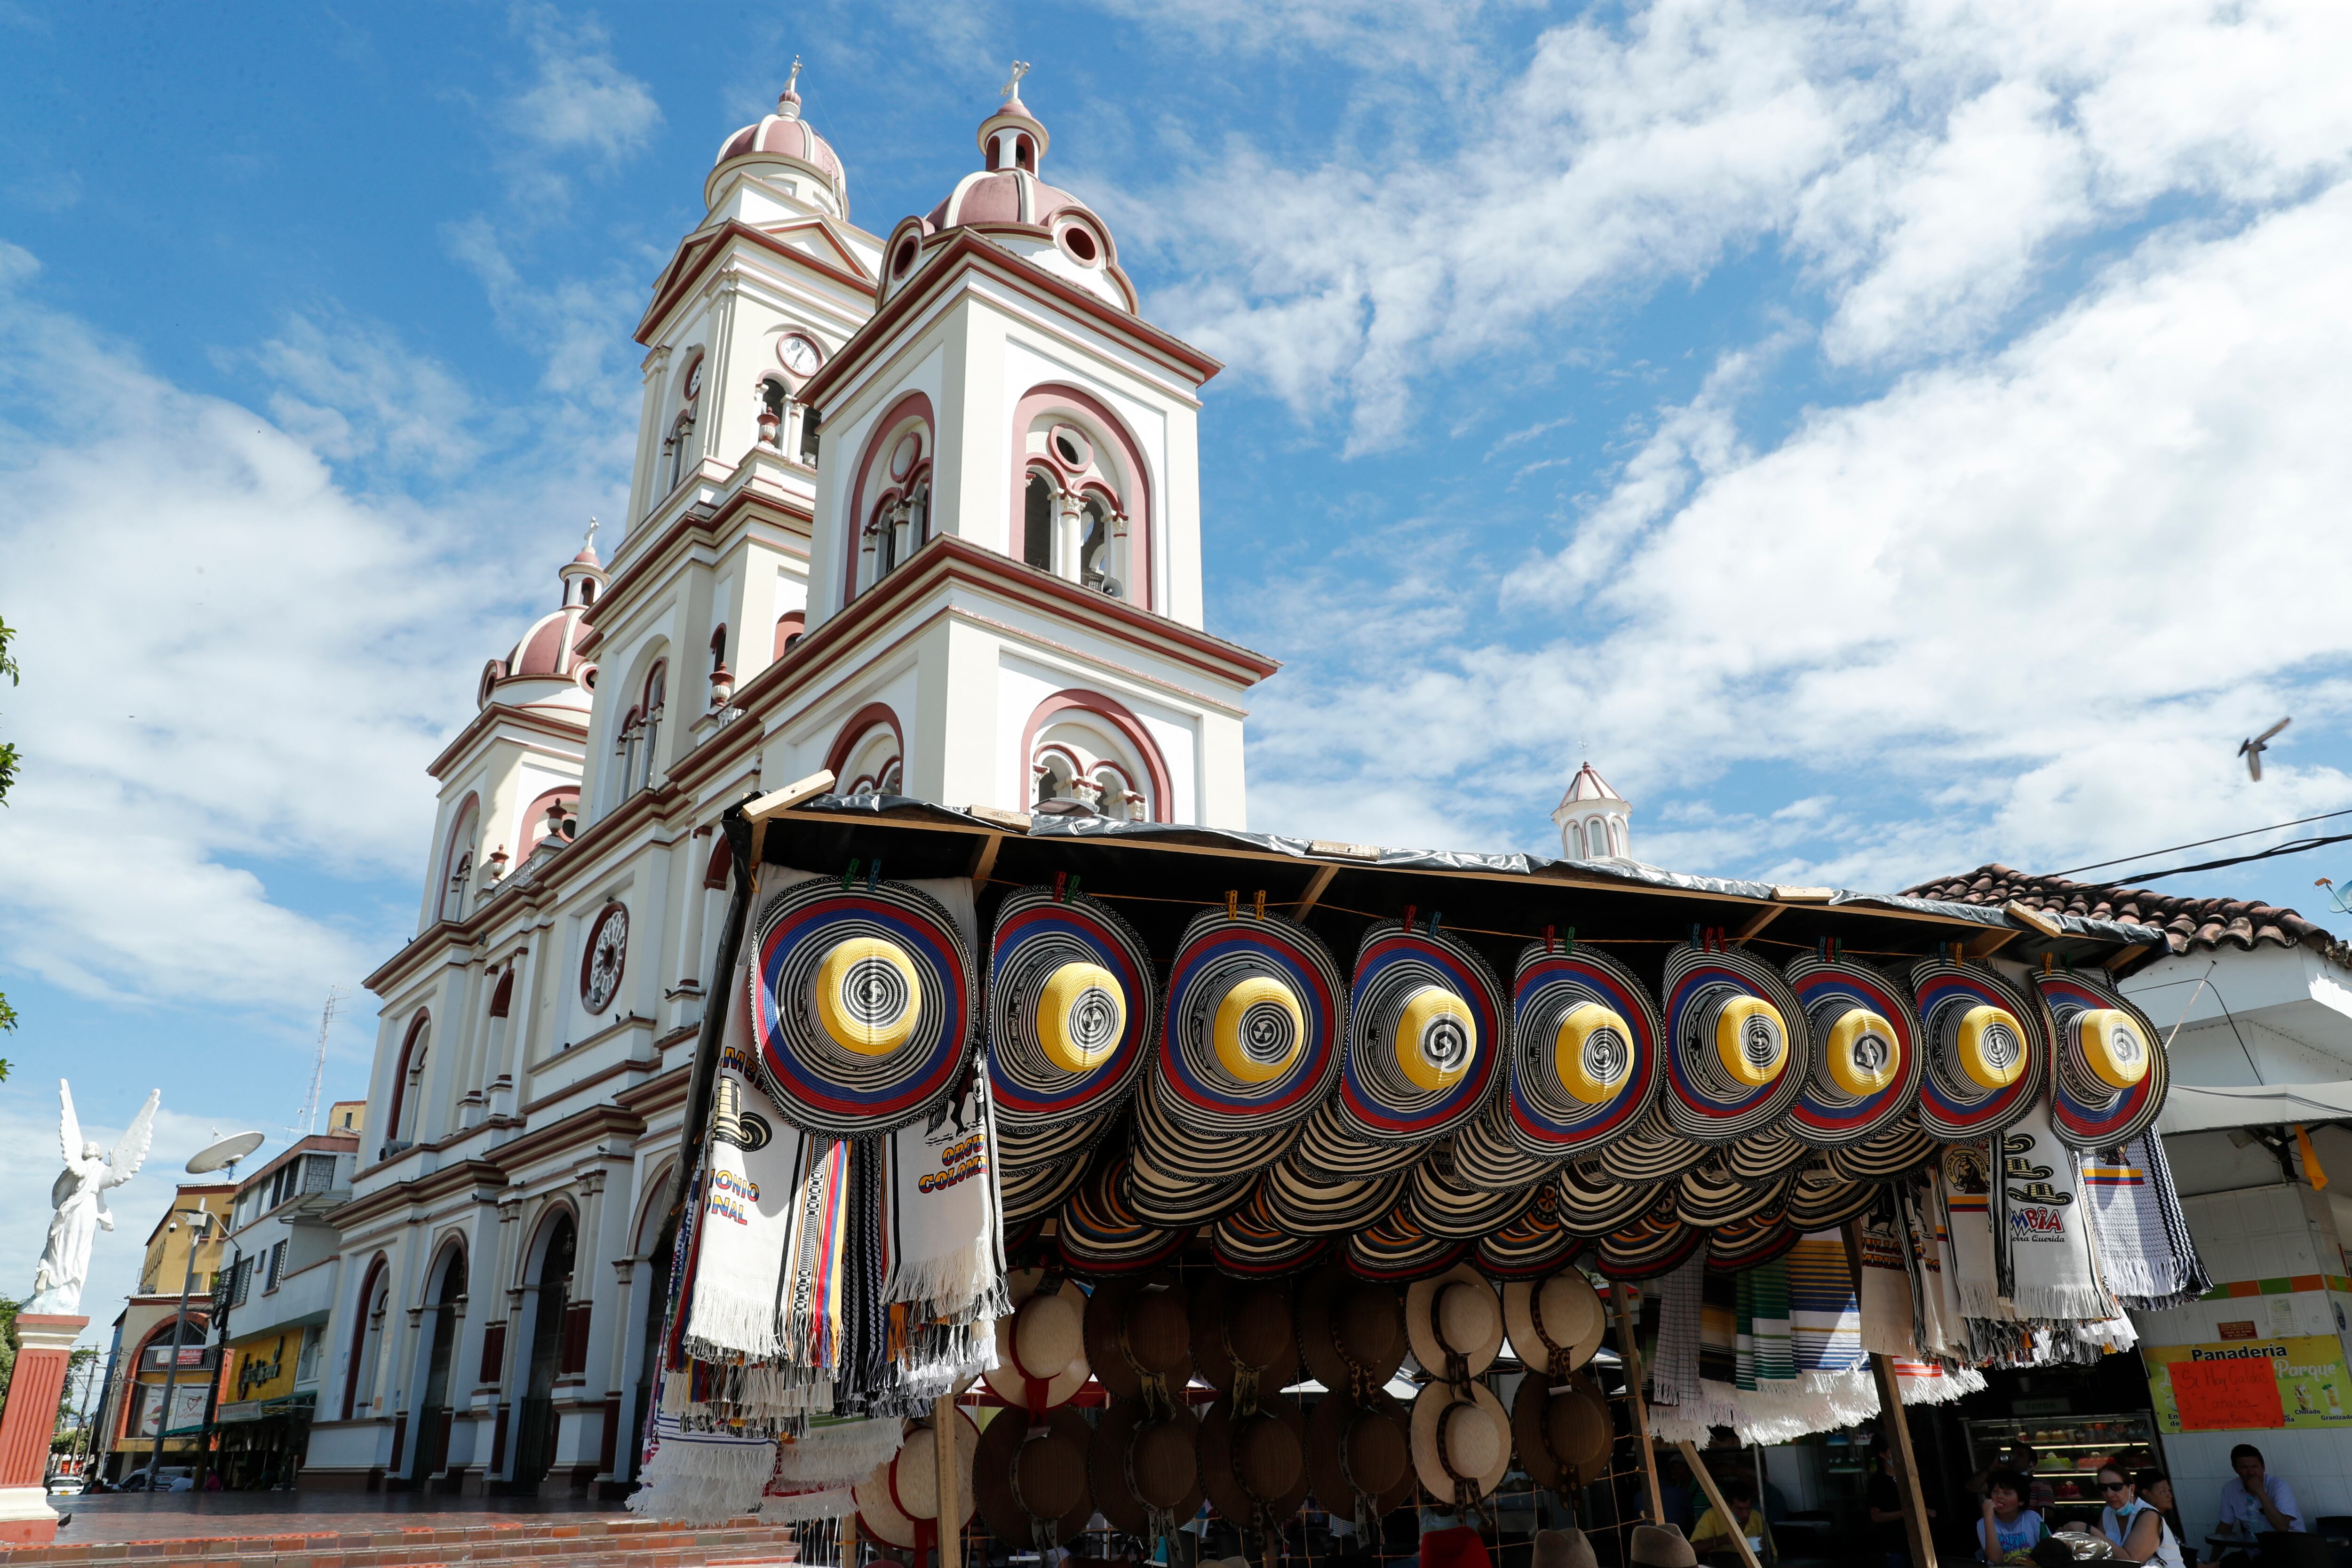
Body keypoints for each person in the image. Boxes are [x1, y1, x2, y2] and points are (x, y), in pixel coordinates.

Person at [2099, 1465, 2185, 1567]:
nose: (2109, 1494)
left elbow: (2130, 1563)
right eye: (2103, 1488)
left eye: (2116, 1487)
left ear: (2132, 1489)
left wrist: (2091, 1531)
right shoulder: (2107, 1513)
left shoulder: (2149, 1515)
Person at [2213, 1443, 2300, 1541]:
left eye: (2255, 1467)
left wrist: (2260, 1491)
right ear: (2235, 1469)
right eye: (2244, 1468)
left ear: (2263, 1467)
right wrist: (2215, 1551)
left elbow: (2283, 1527)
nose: (2251, 1473)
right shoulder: (2230, 1489)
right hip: (2255, 1546)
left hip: (2290, 1545)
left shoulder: (2279, 1486)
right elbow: (2225, 1526)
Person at [1691, 1472, 1771, 1566]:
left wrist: (1765, 1546)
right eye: (1739, 1509)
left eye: (1748, 1508)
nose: (1745, 1514)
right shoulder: (1712, 1516)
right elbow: (1693, 1548)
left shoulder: (1757, 1516)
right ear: (1728, 1505)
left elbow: (1773, 1552)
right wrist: (1723, 1540)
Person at [1977, 1468, 2048, 1563]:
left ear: (2021, 1501)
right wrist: (1989, 1518)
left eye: (2006, 1493)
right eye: (1995, 1491)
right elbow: (1996, 1560)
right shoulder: (1984, 1523)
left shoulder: (2032, 1518)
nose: (1999, 1496)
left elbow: (2050, 1551)